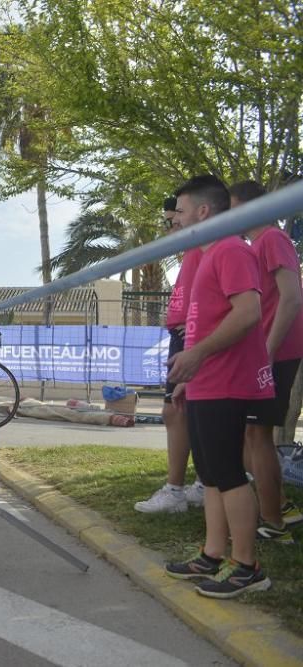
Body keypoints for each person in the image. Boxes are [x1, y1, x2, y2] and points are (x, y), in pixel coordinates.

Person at [165, 175, 274, 598]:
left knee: (228, 473)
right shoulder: (209, 255)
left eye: (181, 209)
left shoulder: (230, 249)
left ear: (204, 212)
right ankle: (212, 554)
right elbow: (203, 323)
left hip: (227, 380)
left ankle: (247, 566)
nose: (175, 218)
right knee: (210, 474)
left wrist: (197, 356)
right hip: (206, 382)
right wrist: (188, 377)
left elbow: (248, 312)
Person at [232, 180, 303, 540]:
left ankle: (275, 523)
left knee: (258, 435)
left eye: (232, 208)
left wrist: (269, 351)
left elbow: (291, 298)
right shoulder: (256, 245)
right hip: (265, 352)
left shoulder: (272, 239)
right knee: (251, 434)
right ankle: (278, 505)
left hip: (276, 353)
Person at [135, 195, 206, 513]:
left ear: (201, 212)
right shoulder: (194, 249)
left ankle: (180, 490)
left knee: (181, 411)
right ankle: (194, 486)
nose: (172, 223)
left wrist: (193, 339)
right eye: (168, 218)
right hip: (183, 334)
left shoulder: (213, 245)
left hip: (191, 336)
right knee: (178, 410)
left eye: (177, 214)